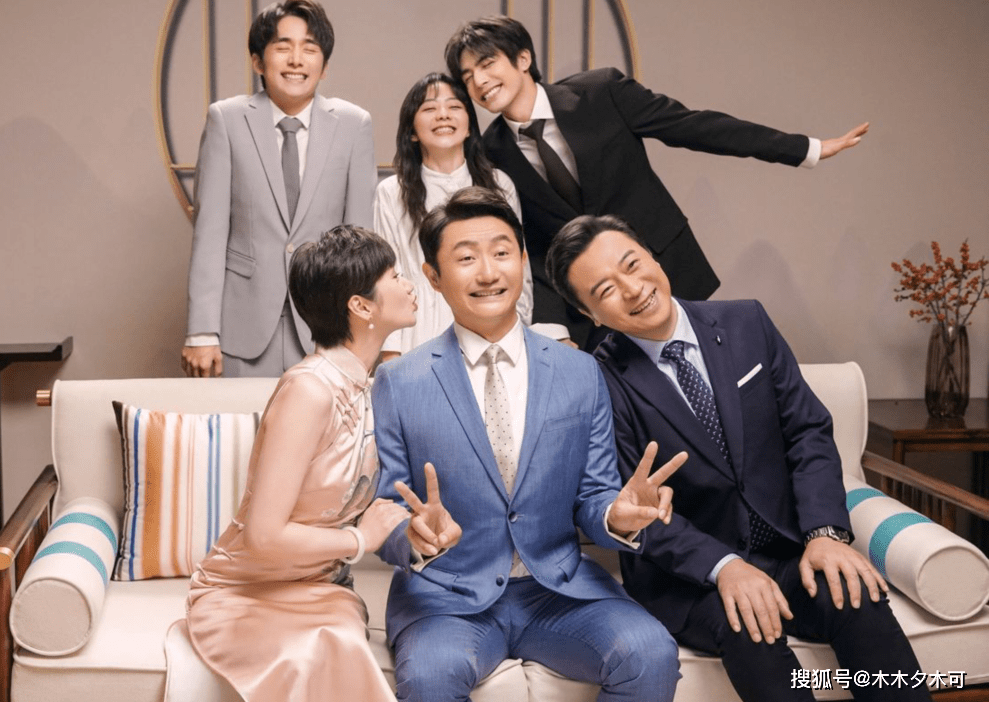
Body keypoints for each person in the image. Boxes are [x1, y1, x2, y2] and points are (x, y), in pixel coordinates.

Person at [545, 215, 933, 702]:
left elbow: (807, 432)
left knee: (857, 597)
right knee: (749, 626)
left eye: (632, 264)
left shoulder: (747, 321)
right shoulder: (599, 381)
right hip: (693, 579)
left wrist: (825, 534)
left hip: (789, 550)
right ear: (592, 315)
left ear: (653, 257)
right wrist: (724, 565)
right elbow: (636, 510)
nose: (632, 288)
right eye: (605, 290)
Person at [371, 186, 685, 702]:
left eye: (501, 252)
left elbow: (594, 496)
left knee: (649, 651)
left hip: (559, 593)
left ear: (521, 260)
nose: (488, 273)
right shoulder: (399, 382)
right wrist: (414, 535)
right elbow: (387, 508)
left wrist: (618, 516)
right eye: (466, 259)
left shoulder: (580, 371)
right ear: (433, 276)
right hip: (446, 598)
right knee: (430, 677)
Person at [445, 15, 868, 349]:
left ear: (522, 59)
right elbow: (533, 245)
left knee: (705, 380)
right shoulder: (490, 152)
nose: (479, 82)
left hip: (666, 268)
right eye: (467, 76)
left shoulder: (600, 92)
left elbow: (695, 127)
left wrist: (805, 148)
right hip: (593, 305)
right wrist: (555, 327)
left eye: (487, 63)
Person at [182, 225, 417, 701]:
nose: (409, 284)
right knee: (331, 647)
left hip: (320, 585)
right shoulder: (309, 390)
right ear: (361, 306)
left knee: (339, 639)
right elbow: (264, 536)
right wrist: (361, 539)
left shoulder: (368, 387)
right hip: (248, 591)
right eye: (395, 276)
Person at [182, 0, 375, 378]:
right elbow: (210, 233)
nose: (296, 60)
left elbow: (359, 243)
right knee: (240, 420)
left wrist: (362, 335)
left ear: (324, 66)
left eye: (310, 48)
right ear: (258, 61)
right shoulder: (227, 119)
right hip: (242, 327)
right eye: (283, 47)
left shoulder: (354, 124)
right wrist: (202, 331)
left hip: (326, 328)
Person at [374, 73, 542, 360]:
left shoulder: (499, 184)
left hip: (491, 322)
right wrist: (392, 354)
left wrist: (518, 331)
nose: (443, 115)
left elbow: (519, 271)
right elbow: (387, 276)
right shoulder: (392, 191)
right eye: (429, 108)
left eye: (454, 107)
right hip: (419, 328)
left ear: (469, 128)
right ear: (412, 131)